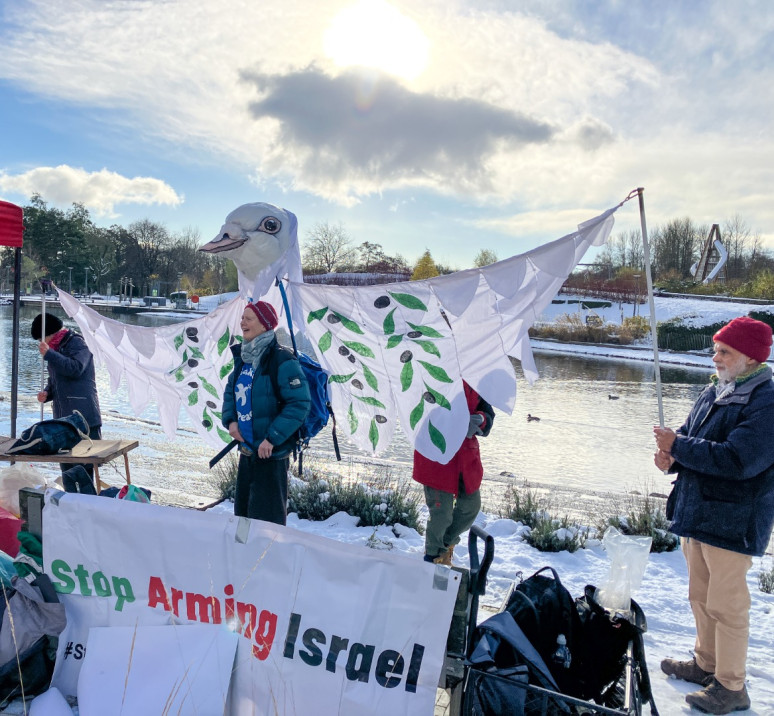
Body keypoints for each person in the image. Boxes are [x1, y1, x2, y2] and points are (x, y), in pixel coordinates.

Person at [654, 316, 774, 715]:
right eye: (716, 349)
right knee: (700, 597)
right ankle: (707, 664)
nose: (715, 357)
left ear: (751, 357)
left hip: (733, 521)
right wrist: (670, 458)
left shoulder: (767, 401)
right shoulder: (714, 392)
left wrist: (680, 447)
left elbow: (739, 460)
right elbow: (689, 440)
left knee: (727, 605)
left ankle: (730, 686)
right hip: (698, 513)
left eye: (724, 351)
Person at [221, 301, 310, 526]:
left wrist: (272, 438)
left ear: (264, 325)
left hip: (271, 454)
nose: (242, 323)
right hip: (248, 451)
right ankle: (241, 555)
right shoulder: (244, 357)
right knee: (242, 516)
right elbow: (231, 391)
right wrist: (231, 421)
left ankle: (267, 559)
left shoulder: (282, 360)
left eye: (249, 319)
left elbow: (299, 403)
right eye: (242, 318)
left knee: (267, 520)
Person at [412, 381, 494, 565]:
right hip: (437, 454)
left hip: (465, 456)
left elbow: (488, 412)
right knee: (441, 514)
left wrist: (481, 419)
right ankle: (433, 558)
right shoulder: (434, 368)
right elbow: (417, 405)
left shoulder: (477, 377)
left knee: (471, 506)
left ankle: (445, 546)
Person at [31, 313, 102, 478]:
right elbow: (56, 379)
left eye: (42, 339)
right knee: (68, 470)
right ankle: (71, 501)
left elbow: (75, 368)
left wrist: (50, 354)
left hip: (84, 418)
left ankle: (89, 502)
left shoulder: (78, 343)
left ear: (50, 334)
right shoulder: (55, 349)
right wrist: (47, 392)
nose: (42, 343)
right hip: (63, 421)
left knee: (85, 468)